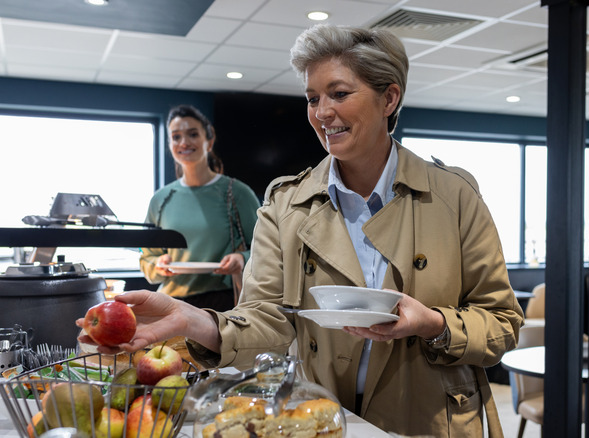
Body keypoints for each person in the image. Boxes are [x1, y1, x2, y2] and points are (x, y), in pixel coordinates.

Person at [79, 25, 523, 437]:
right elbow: (265, 320)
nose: (322, 113)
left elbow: (502, 323)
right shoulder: (285, 205)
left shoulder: (455, 197)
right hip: (320, 418)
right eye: (312, 98)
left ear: (389, 99)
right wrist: (194, 321)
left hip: (430, 418)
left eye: (339, 93)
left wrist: (433, 323)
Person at [139, 104, 260, 311]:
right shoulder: (160, 199)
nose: (184, 142)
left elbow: (266, 249)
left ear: (209, 141)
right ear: (170, 144)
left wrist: (242, 258)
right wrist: (158, 264)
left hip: (222, 304)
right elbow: (147, 258)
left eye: (193, 134)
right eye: (176, 137)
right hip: (170, 302)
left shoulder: (236, 193)